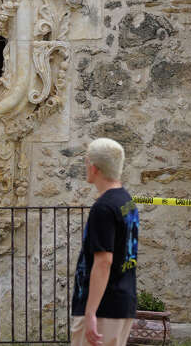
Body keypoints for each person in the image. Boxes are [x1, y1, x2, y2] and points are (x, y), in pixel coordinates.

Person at [70, 138, 139, 346]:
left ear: (94, 168)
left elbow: (103, 261)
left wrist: (90, 312)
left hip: (103, 308)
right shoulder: (126, 201)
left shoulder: (104, 208)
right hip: (122, 301)